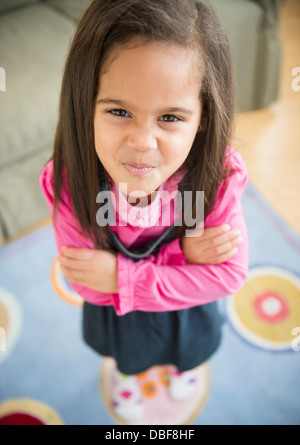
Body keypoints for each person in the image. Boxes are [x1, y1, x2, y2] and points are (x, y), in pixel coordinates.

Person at [40, 0, 248, 422]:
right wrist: (185, 260)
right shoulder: (69, 179)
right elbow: (85, 282)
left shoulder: (217, 177)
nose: (142, 143)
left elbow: (228, 274)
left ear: (203, 117)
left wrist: (121, 276)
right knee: (128, 356)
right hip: (124, 321)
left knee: (186, 352)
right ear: (86, 103)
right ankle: (129, 376)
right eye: (119, 111)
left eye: (170, 117)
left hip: (184, 316)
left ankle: (182, 368)